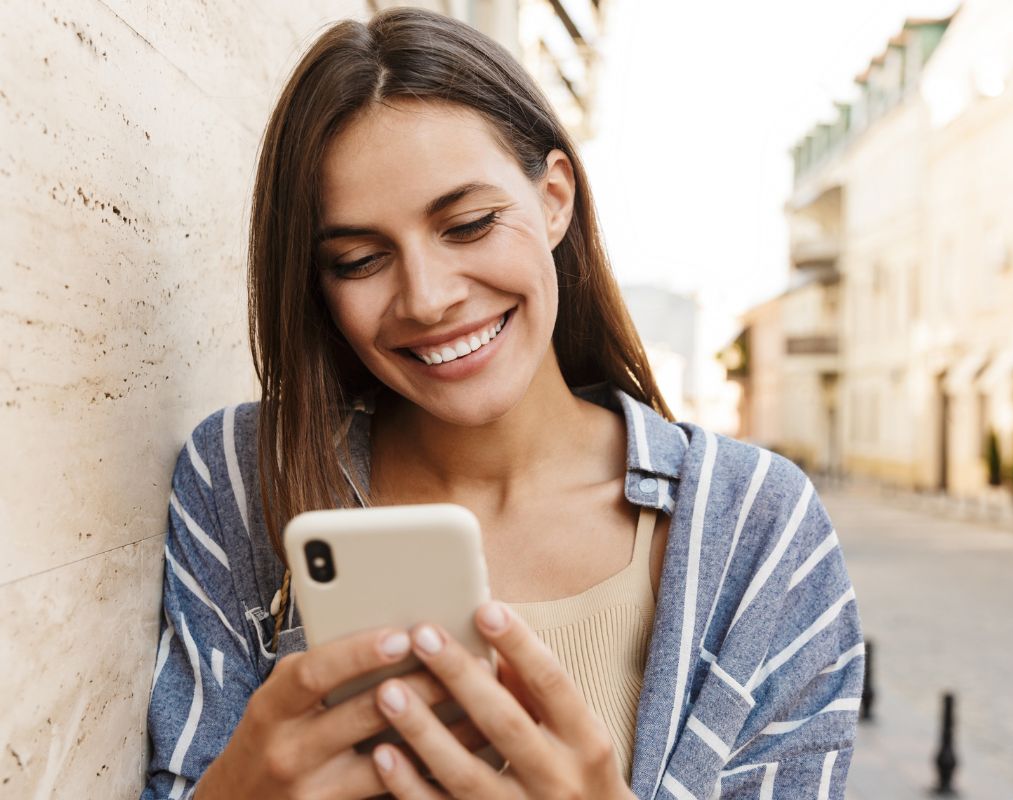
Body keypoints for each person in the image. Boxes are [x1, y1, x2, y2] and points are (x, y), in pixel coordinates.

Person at [142, 8, 863, 799]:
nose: (426, 298)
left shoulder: (760, 527)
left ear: (555, 198)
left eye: (469, 224)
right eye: (358, 260)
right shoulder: (245, 479)